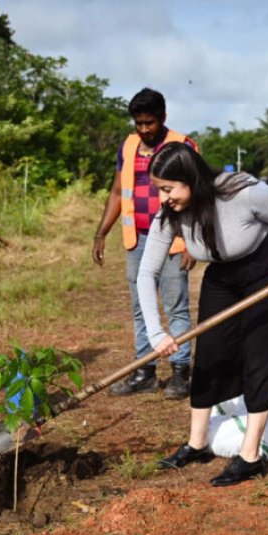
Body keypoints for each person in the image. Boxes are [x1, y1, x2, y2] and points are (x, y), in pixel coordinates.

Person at [138, 142, 268, 486]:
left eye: (168, 189)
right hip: (221, 277)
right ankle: (197, 444)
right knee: (210, 355)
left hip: (263, 268)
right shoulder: (171, 214)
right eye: (159, 190)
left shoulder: (242, 191)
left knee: (261, 355)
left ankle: (250, 455)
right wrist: (156, 332)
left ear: (191, 179)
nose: (163, 197)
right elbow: (146, 274)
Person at [92, 88, 197, 399]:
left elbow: (198, 194)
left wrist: (192, 241)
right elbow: (115, 192)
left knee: (175, 305)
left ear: (163, 118)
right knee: (140, 306)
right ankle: (145, 371)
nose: (143, 129)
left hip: (174, 238)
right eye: (138, 123)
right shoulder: (128, 146)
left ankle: (181, 372)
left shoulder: (182, 145)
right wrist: (101, 233)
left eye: (149, 123)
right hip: (137, 239)